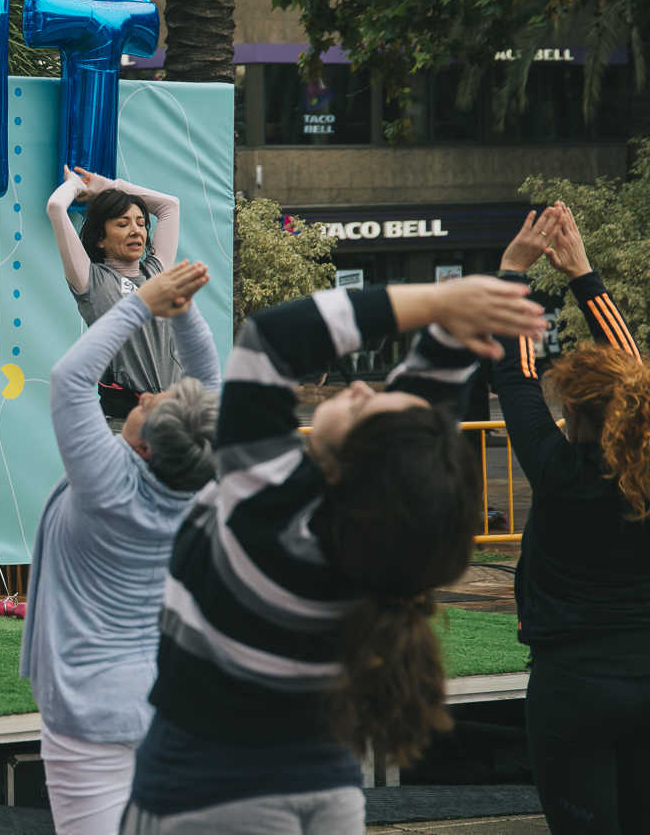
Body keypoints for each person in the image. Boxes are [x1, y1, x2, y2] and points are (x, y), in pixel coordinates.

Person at [121, 276, 547, 835]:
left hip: (210, 795)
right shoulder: (368, 535)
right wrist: (474, 305)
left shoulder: (267, 520)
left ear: (352, 465)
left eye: (370, 403)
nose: (362, 389)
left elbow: (270, 338)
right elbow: (418, 406)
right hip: (323, 789)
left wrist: (440, 299)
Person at [20, 257, 219, 835]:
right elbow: (210, 387)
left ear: (148, 449)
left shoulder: (107, 481)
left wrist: (141, 304)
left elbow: (70, 379)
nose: (147, 396)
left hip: (92, 717)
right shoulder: (202, 487)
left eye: (150, 406)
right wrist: (183, 315)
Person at [493, 203, 650, 834]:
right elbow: (635, 375)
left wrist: (513, 272)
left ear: (574, 417)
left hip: (572, 689)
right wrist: (584, 274)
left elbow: (516, 376)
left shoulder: (557, 472)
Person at [45, 165, 181, 421]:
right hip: (125, 425)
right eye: (123, 223)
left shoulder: (156, 272)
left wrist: (106, 186)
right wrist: (75, 185)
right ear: (100, 239)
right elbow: (55, 207)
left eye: (141, 223)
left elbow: (170, 206)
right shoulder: (92, 281)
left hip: (174, 420)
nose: (136, 231)